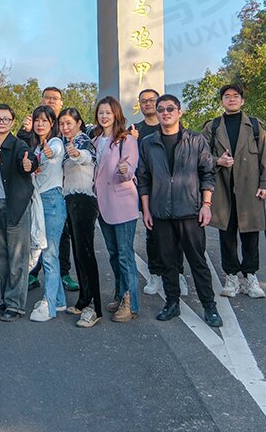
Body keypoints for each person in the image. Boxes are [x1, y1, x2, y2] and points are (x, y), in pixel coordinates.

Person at [137, 94, 223, 328]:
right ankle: (172, 303)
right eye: (161, 109)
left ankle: (209, 306)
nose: (165, 113)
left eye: (170, 109)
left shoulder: (195, 140)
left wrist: (206, 205)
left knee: (198, 262)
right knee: (168, 262)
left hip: (190, 211)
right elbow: (143, 178)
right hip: (161, 213)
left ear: (179, 112)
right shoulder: (148, 143)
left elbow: (207, 173)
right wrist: (146, 210)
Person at [202, 84, 266, 299]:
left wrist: (265, 184)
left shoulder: (255, 126)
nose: (231, 99)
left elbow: (265, 156)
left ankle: (250, 277)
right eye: (227, 96)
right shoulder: (212, 127)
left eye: (235, 96)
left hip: (250, 190)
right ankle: (231, 277)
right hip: (223, 190)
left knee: (251, 234)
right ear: (222, 101)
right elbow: (201, 156)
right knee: (227, 234)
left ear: (242, 101)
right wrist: (218, 161)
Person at [130, 88, 189, 299]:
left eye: (151, 100)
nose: (147, 103)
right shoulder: (135, 130)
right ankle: (155, 273)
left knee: (177, 236)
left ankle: (178, 273)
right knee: (153, 234)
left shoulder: (173, 126)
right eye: (143, 100)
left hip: (175, 191)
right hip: (149, 191)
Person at [19, 86, 77, 293]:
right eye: (47, 98)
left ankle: (53, 297)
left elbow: (55, 150)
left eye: (55, 98)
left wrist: (49, 153)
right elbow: (24, 152)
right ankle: (52, 295)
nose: (51, 100)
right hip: (36, 198)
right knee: (39, 243)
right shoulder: (34, 138)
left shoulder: (56, 138)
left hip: (55, 197)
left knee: (53, 249)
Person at [91, 96, 141, 323]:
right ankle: (120, 294)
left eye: (108, 113)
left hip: (122, 203)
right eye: (101, 112)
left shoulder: (125, 139)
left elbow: (130, 166)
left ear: (116, 115)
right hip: (102, 204)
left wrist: (124, 170)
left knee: (125, 254)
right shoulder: (94, 140)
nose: (104, 116)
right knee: (113, 254)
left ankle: (130, 303)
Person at [0, 104, 38, 321]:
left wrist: (29, 164)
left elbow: (28, 159)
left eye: (6, 119)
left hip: (16, 206)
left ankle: (15, 305)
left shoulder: (19, 145)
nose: (1, 122)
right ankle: (6, 298)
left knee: (17, 257)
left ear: (12, 122)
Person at [57, 107, 101, 327]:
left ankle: (96, 308)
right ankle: (84, 300)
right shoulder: (64, 143)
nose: (65, 127)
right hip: (70, 200)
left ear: (79, 123)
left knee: (86, 254)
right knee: (78, 254)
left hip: (83, 200)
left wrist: (76, 154)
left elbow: (85, 157)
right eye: (62, 124)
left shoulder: (83, 141)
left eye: (69, 123)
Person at [27, 105, 67, 322]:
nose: (40, 124)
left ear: (52, 124)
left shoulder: (54, 143)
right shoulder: (35, 147)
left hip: (52, 201)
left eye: (45, 120)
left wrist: (49, 153)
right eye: (37, 120)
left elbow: (56, 152)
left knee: (50, 254)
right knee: (46, 253)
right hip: (39, 202)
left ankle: (49, 305)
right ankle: (58, 300)